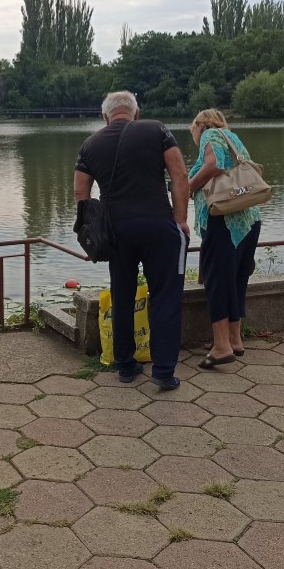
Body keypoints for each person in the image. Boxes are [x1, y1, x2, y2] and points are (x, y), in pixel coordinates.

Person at [74, 91, 191, 390]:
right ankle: (163, 372)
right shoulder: (157, 129)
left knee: (122, 296)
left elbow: (80, 193)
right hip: (158, 226)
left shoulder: (90, 144)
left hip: (116, 233)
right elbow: (180, 175)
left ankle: (125, 366)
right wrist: (180, 220)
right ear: (136, 113)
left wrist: (93, 234)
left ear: (105, 117)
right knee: (165, 297)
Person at [186, 109, 262, 369]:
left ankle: (221, 347)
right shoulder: (232, 137)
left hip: (224, 219)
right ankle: (234, 339)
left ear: (200, 125)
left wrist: (189, 186)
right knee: (237, 277)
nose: (194, 136)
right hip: (249, 217)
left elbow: (214, 165)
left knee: (217, 278)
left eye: (193, 131)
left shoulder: (209, 135)